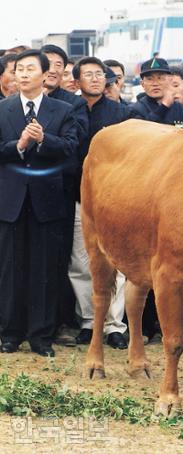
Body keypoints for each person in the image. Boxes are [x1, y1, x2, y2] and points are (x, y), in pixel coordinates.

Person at [0, 49, 79, 357]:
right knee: (9, 269)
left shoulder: (62, 110)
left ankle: (41, 336)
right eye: (18, 68)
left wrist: (45, 139)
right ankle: (9, 333)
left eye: (30, 68)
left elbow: (71, 148)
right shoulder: (2, 108)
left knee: (45, 270)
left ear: (45, 75)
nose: (22, 73)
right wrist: (17, 145)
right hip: (10, 201)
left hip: (48, 201)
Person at [69, 56, 140, 349]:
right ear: (77, 80)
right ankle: (88, 321)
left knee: (118, 264)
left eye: (100, 74)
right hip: (78, 197)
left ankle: (114, 325)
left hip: (115, 199)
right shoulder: (67, 110)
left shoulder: (122, 114)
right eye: (89, 74)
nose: (96, 79)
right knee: (81, 263)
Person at [41, 44, 89, 347]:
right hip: (27, 192)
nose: (54, 69)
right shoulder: (15, 103)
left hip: (65, 190)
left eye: (60, 63)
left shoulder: (73, 103)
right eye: (49, 63)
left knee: (70, 259)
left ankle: (65, 321)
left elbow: (75, 145)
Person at [130, 57, 183, 127]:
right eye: (150, 79)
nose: (155, 83)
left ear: (169, 81)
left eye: (160, 78)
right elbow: (145, 131)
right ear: (142, 84)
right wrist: (164, 107)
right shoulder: (135, 110)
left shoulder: (181, 107)